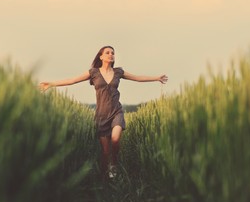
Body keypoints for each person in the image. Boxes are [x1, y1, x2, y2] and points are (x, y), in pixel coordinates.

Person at [40, 46, 168, 180]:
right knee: (105, 152)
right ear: (101, 56)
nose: (111, 55)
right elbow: (72, 80)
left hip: (116, 111)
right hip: (101, 115)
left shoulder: (119, 72)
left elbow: (137, 78)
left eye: (113, 53)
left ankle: (114, 163)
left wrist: (156, 78)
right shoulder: (93, 72)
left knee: (115, 139)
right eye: (107, 52)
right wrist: (51, 84)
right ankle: (104, 178)